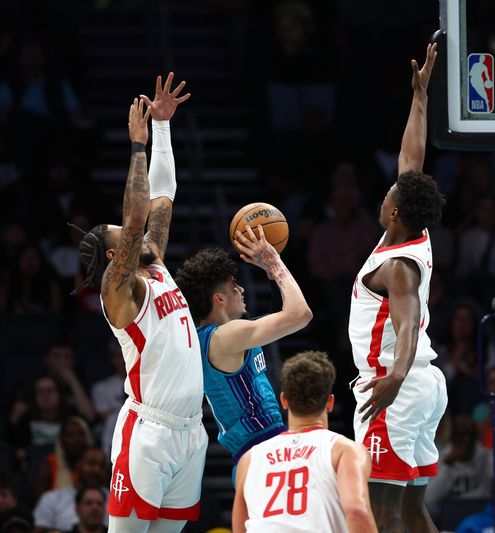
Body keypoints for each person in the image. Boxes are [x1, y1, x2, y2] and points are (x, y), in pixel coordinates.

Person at [75, 74, 207, 531]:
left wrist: (165, 127)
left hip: (190, 432)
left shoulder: (155, 265)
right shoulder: (119, 289)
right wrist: (137, 144)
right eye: (123, 234)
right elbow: (135, 213)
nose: (132, 226)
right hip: (148, 433)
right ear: (117, 256)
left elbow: (162, 197)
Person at [348, 41, 447, 533]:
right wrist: (421, 96)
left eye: (390, 193)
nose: (390, 186)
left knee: (379, 512)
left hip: (396, 384)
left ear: (394, 211)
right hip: (420, 385)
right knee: (411, 510)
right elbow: (412, 160)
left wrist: (394, 379)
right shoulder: (413, 230)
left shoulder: (399, 266)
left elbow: (406, 327)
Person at [175, 235, 312, 476]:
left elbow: (278, 314)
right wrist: (274, 261)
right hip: (262, 451)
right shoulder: (225, 337)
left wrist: (270, 275)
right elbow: (300, 314)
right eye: (233, 287)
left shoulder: (219, 337)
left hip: (258, 452)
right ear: (218, 299)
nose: (241, 289)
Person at [232, 351, 376, 532]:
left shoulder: (250, 459)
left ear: (284, 400)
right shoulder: (345, 451)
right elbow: (357, 511)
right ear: (330, 402)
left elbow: (240, 527)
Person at [33, 447, 108, 532]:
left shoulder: (116, 499)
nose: (96, 470)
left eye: (101, 466)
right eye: (91, 464)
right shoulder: (51, 499)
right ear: (78, 465)